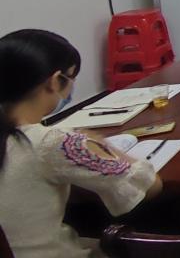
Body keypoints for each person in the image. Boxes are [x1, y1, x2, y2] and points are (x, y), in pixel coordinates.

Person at [0, 29, 162, 258]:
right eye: (71, 77)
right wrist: (101, 145)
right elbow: (148, 186)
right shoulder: (55, 142)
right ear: (55, 81)